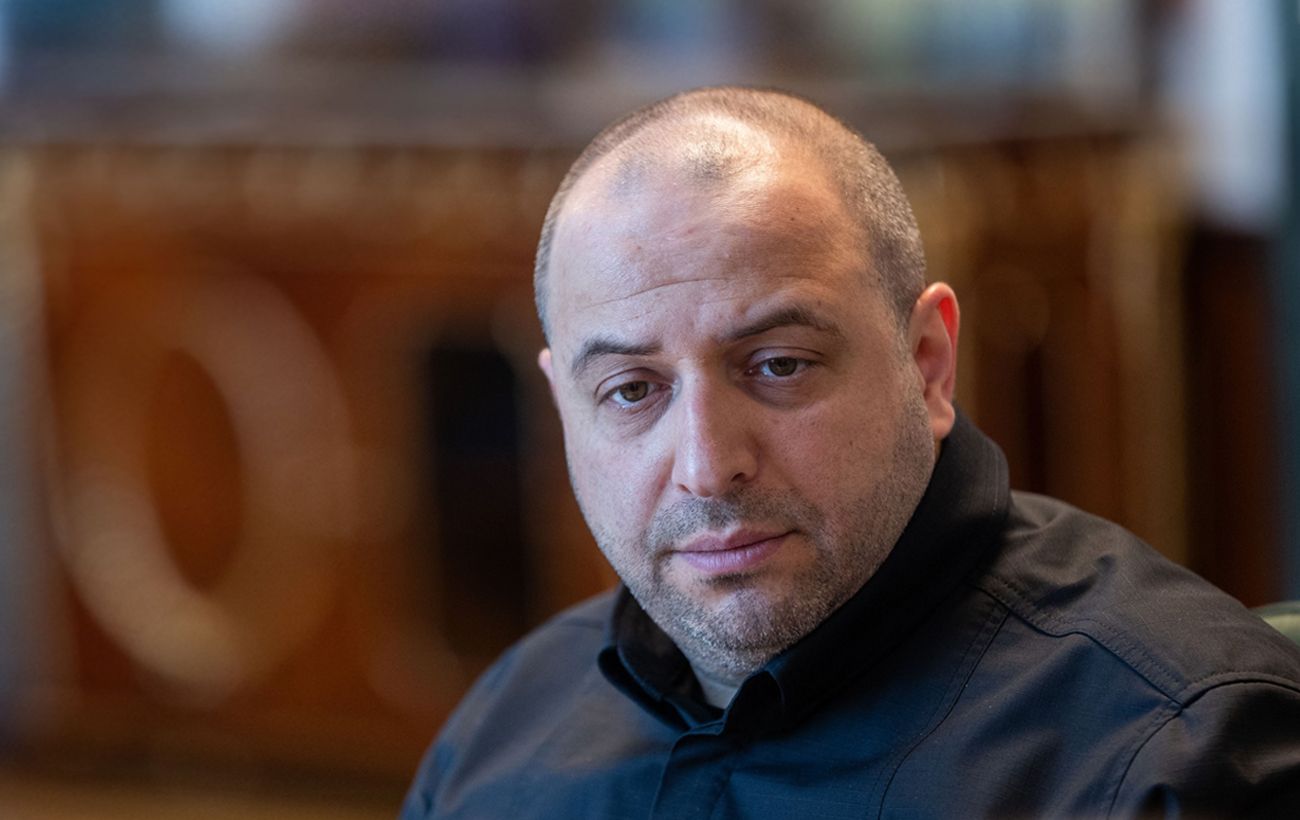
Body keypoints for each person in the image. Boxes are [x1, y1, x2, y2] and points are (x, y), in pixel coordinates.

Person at [401, 86, 1300, 818]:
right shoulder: (502, 733)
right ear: (562, 406)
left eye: (779, 365)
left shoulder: (1177, 757)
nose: (708, 467)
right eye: (632, 391)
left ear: (928, 364)